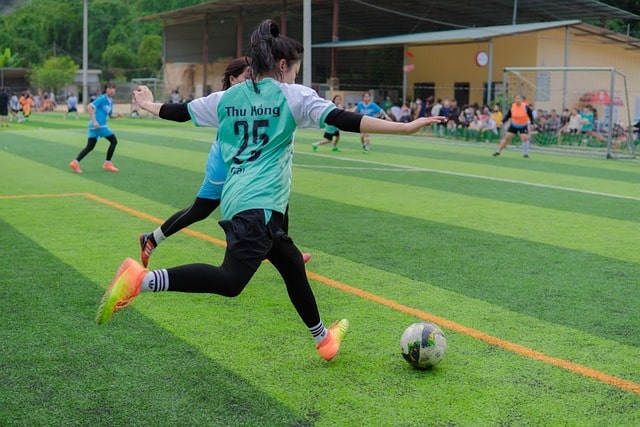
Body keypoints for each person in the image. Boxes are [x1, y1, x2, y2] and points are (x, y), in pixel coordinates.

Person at [97, 19, 446, 363]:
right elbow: (344, 119)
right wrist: (405, 127)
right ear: (281, 66)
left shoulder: (227, 97)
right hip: (260, 205)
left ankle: (324, 340)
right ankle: (141, 279)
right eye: (295, 70)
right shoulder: (293, 96)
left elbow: (178, 112)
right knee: (230, 281)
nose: (296, 76)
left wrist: (145, 104)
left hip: (237, 200)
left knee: (292, 263)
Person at [139, 57, 312, 268]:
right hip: (225, 164)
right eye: (247, 76)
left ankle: (285, 251)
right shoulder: (228, 100)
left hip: (244, 165)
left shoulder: (258, 99)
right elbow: (182, 111)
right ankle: (152, 238)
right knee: (200, 210)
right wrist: (148, 104)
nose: (253, 81)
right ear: (232, 80)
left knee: (278, 197)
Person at [69, 83, 122, 173]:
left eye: (113, 88)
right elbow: (89, 107)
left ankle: (75, 163)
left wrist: (117, 115)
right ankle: (107, 164)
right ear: (105, 89)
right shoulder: (102, 98)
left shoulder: (111, 101)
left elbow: (110, 115)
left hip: (95, 126)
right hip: (99, 125)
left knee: (90, 146)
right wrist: (94, 121)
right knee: (114, 141)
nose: (112, 90)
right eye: (109, 88)